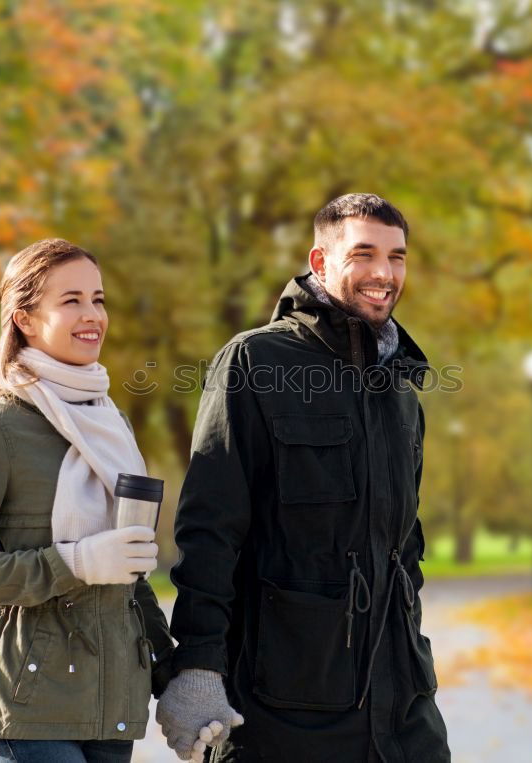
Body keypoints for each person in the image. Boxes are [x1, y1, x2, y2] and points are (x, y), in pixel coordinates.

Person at [156, 195, 450, 761]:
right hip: (283, 703)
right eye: (363, 254)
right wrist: (196, 665)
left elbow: (403, 544)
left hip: (403, 706)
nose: (383, 274)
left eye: (397, 257)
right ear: (319, 262)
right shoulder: (254, 363)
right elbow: (209, 528)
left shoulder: (403, 392)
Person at [0, 238, 180, 762]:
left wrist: (171, 679)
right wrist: (76, 562)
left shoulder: (112, 425)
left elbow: (128, 577)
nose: (92, 315)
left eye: (98, 299)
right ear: (24, 318)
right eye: (71, 301)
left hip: (115, 706)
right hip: (32, 703)